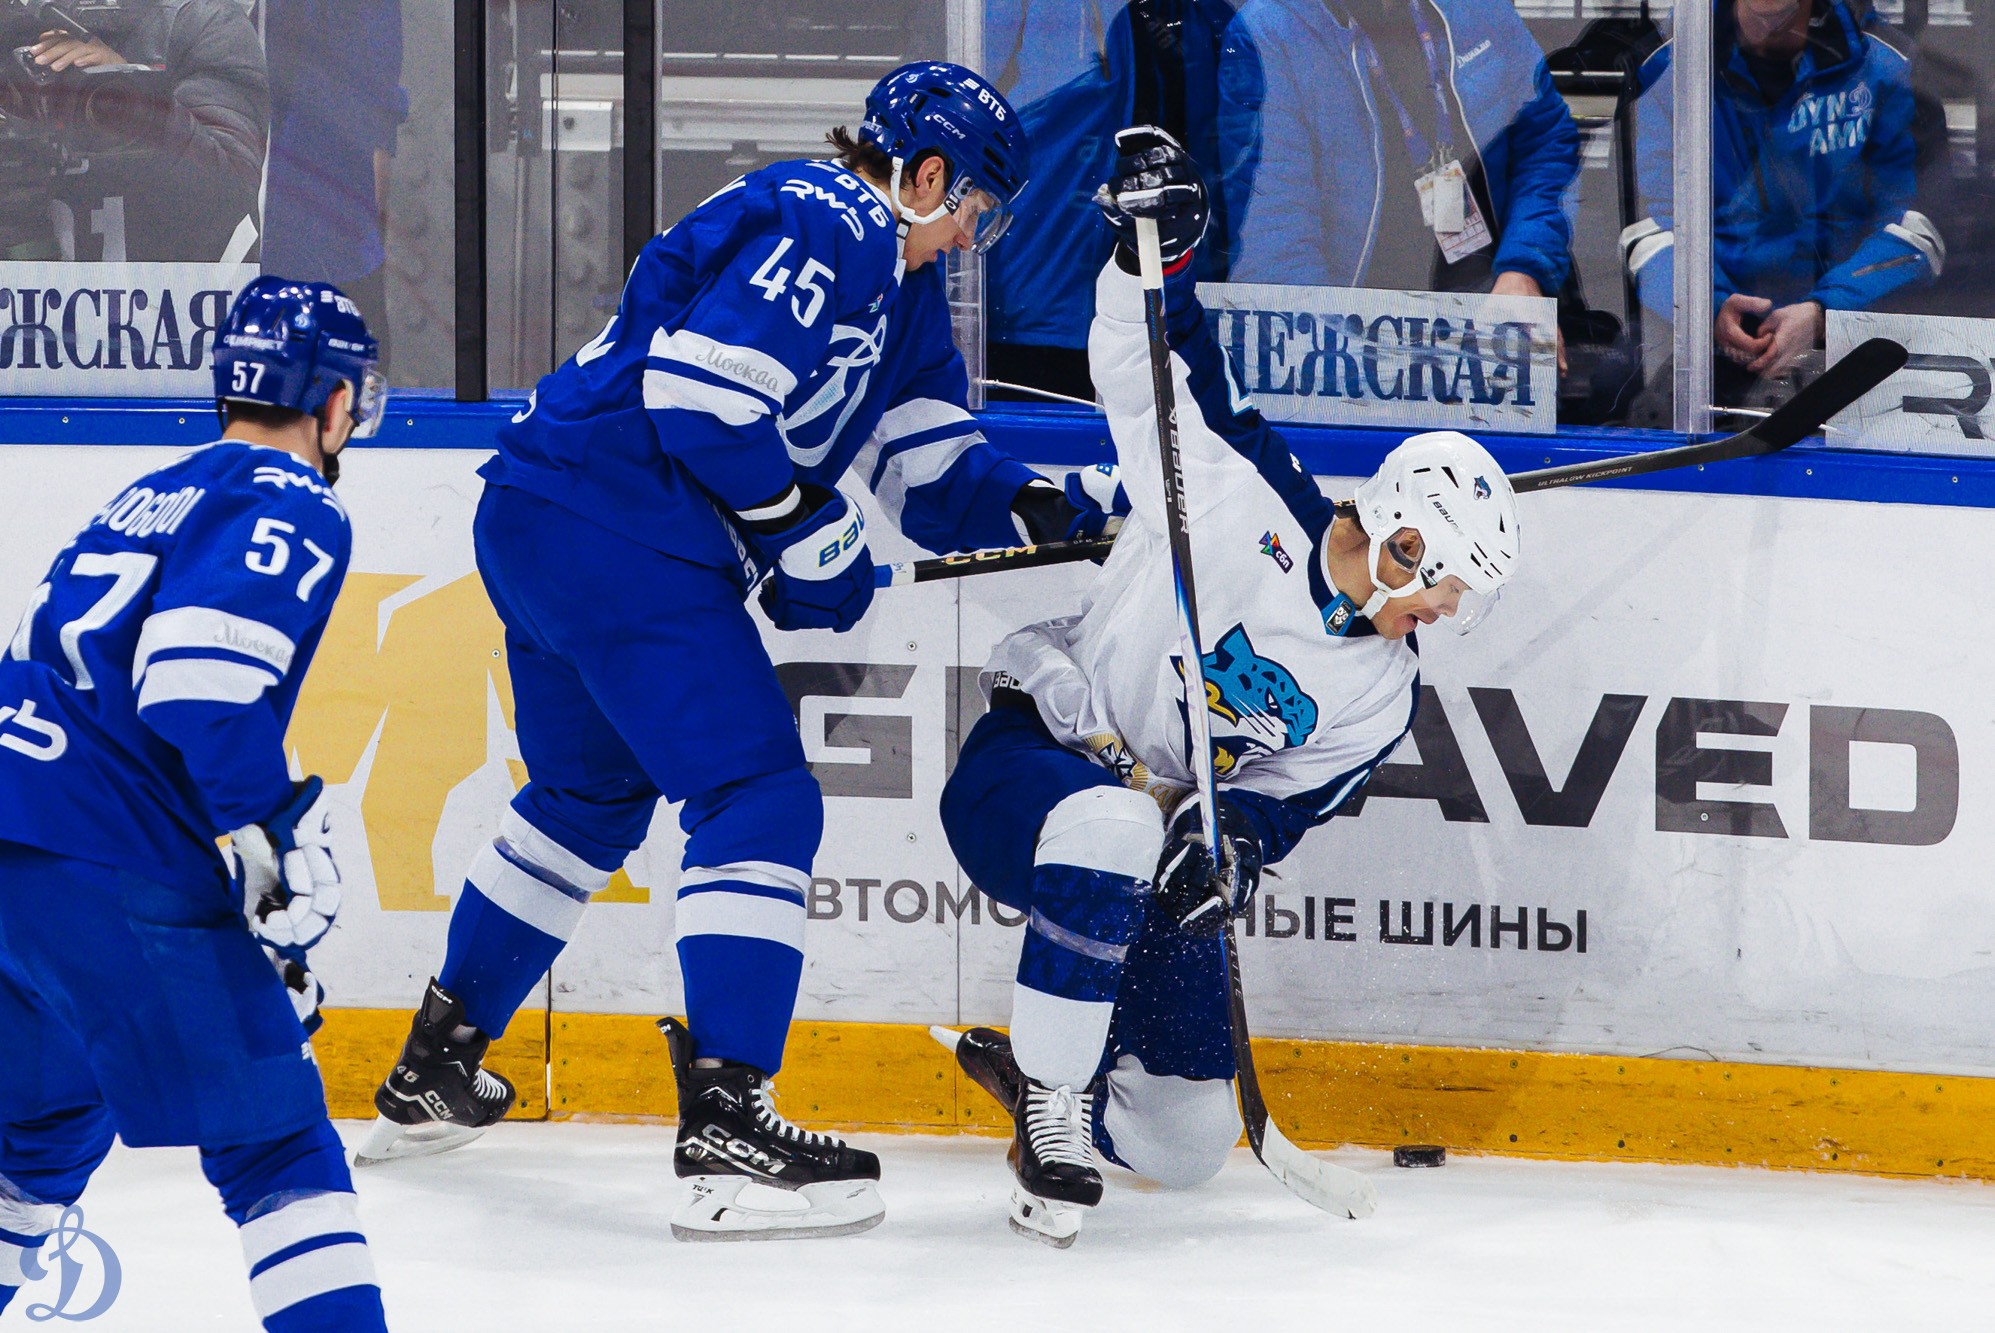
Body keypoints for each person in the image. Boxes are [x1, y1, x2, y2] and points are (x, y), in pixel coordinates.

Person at [358, 60, 1120, 1242]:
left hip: (548, 517)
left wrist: (1037, 505)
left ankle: (434, 1067)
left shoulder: (904, 295)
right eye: (977, 207)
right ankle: (727, 1119)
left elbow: (932, 475)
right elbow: (702, 399)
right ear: (926, 176)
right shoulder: (834, 217)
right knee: (758, 795)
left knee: (586, 800)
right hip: (620, 523)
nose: (974, 236)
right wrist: (800, 526)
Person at [934, 128, 1519, 1246]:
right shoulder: (1241, 489)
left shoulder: (1380, 695)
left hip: (1154, 851)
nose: (1448, 611)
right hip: (1033, 767)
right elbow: (1146, 354)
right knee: (1113, 822)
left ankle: (1043, 1080)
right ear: (1403, 541)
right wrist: (1151, 252)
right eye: (1448, 585)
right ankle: (1053, 1107)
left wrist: (1232, 846)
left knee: (1184, 1143)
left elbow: (1277, 804)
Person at [0, 279, 389, 1328]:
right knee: (277, 1145)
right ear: (335, 401)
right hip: (101, 851)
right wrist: (272, 832)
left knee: (34, 1139)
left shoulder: (147, 492)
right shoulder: (294, 498)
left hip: (13, 828)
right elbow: (197, 684)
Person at [1622, 0, 1942, 396]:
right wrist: (1709, 308)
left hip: (1854, 347)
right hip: (1703, 355)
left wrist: (1824, 312)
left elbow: (1916, 228)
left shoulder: (1886, 63)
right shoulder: (1668, 63)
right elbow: (1650, 227)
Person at [1219, 0, 1579, 304]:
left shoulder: (1477, 8)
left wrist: (1524, 269)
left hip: (1490, 309)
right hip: (1351, 332)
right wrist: (1339, 355)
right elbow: (1274, 248)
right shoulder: (1269, 33)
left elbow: (1544, 142)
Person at [20, 0, 268, 262]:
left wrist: (128, 94)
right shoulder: (21, 25)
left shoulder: (201, 22)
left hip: (174, 282)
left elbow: (228, 199)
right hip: (35, 278)